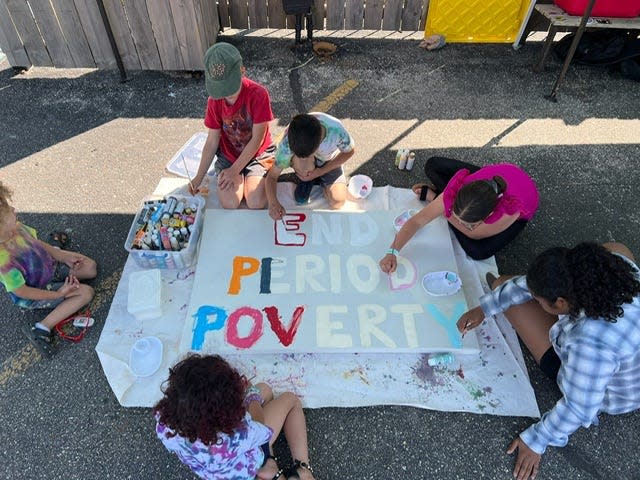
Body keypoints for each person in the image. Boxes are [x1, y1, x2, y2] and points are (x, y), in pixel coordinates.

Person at [456, 242, 640, 480]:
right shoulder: (615, 267)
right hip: (622, 355)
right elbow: (528, 286)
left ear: (561, 304)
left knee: (505, 289)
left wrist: (536, 441)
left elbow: (579, 407)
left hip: (609, 391)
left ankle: (518, 290)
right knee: (616, 247)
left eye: (540, 300)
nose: (534, 299)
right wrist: (485, 308)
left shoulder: (590, 345)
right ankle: (521, 291)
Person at [154, 354, 316, 480]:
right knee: (290, 400)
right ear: (226, 411)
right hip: (245, 466)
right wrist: (251, 396)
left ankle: (268, 463)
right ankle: (301, 469)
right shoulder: (239, 433)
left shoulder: (165, 423)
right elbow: (260, 425)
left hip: (216, 471)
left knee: (264, 389)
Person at [379, 156, 538, 272]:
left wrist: (437, 205)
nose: (457, 221)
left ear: (489, 215)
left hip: (522, 203)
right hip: (493, 181)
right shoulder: (455, 191)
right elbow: (417, 221)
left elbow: (475, 234)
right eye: (451, 210)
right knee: (433, 165)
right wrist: (392, 251)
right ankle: (437, 199)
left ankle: (433, 196)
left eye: (466, 223)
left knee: (478, 251)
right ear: (458, 193)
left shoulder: (507, 212)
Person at [0, 181, 97, 357]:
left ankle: (57, 247)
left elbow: (36, 243)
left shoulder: (16, 227)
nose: (13, 209)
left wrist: (62, 256)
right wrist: (59, 294)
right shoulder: (3, 263)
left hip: (48, 267)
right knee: (86, 293)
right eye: (8, 212)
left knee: (90, 268)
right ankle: (42, 328)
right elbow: (23, 292)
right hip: (39, 291)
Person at [190, 42, 276, 210]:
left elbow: (257, 139)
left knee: (255, 201)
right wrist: (198, 177)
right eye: (220, 88)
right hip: (229, 156)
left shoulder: (258, 94)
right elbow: (212, 141)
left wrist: (235, 171)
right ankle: (242, 177)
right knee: (230, 203)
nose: (225, 93)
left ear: (242, 71)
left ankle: (254, 176)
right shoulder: (214, 100)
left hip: (257, 154)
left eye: (229, 87)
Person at [266, 112, 355, 220]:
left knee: (337, 201)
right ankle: (306, 177)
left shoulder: (336, 130)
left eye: (306, 156)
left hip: (329, 159)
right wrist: (272, 202)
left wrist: (321, 171)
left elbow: (349, 151)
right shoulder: (287, 142)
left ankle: (313, 177)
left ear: (318, 146)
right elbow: (272, 176)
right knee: (304, 165)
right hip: (309, 160)